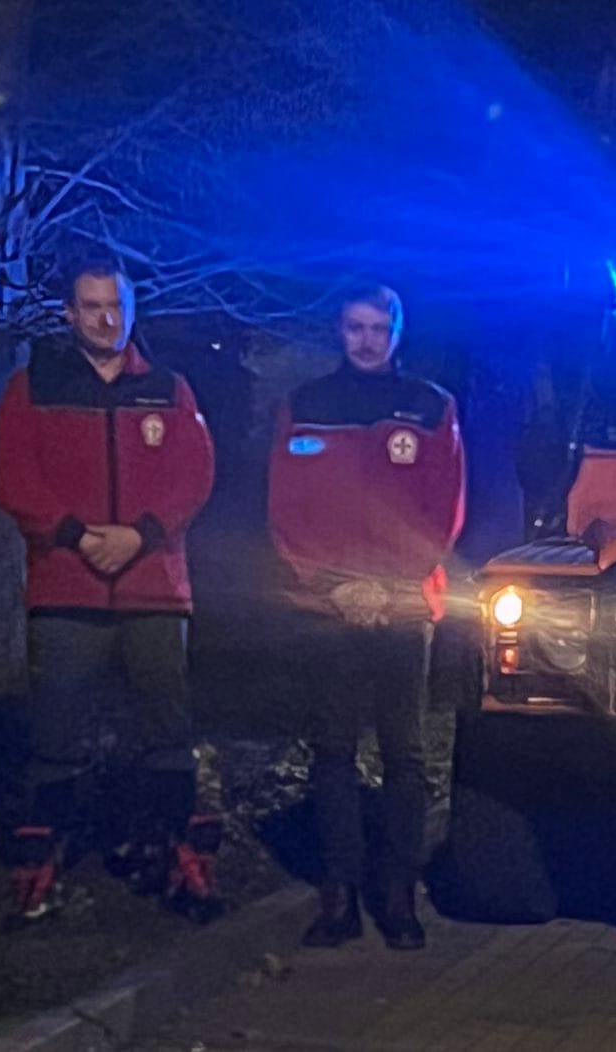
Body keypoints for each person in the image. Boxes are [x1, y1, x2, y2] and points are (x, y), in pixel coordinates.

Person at [0, 255, 220, 923]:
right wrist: (75, 535)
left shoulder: (169, 389)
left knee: (167, 731)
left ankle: (179, 854)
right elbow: (15, 475)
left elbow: (195, 475)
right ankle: (40, 865)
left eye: (115, 306)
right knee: (57, 734)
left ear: (132, 309)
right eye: (91, 307)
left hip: (154, 586)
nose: (105, 319)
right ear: (70, 314)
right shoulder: (33, 386)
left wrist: (142, 534)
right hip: (67, 584)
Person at [268, 283, 466, 950]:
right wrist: (334, 585)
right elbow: (287, 508)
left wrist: (390, 584)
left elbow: (444, 511)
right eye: (355, 327)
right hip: (328, 607)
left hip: (403, 604)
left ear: (398, 331)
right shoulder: (305, 406)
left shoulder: (431, 407)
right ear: (338, 329)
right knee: (333, 752)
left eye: (378, 328)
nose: (366, 340)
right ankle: (339, 898)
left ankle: (398, 895)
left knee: (404, 753)